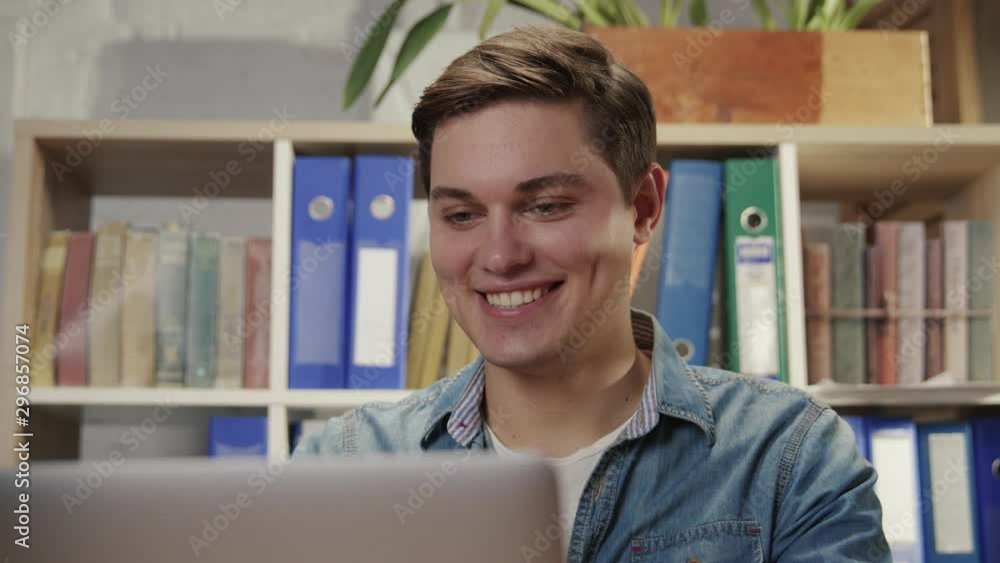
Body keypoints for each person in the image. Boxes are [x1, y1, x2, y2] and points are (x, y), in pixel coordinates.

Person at [295, 24, 889, 563]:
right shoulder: (345, 465)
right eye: (462, 214)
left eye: (546, 206)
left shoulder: (787, 458)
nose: (500, 257)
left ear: (644, 208)